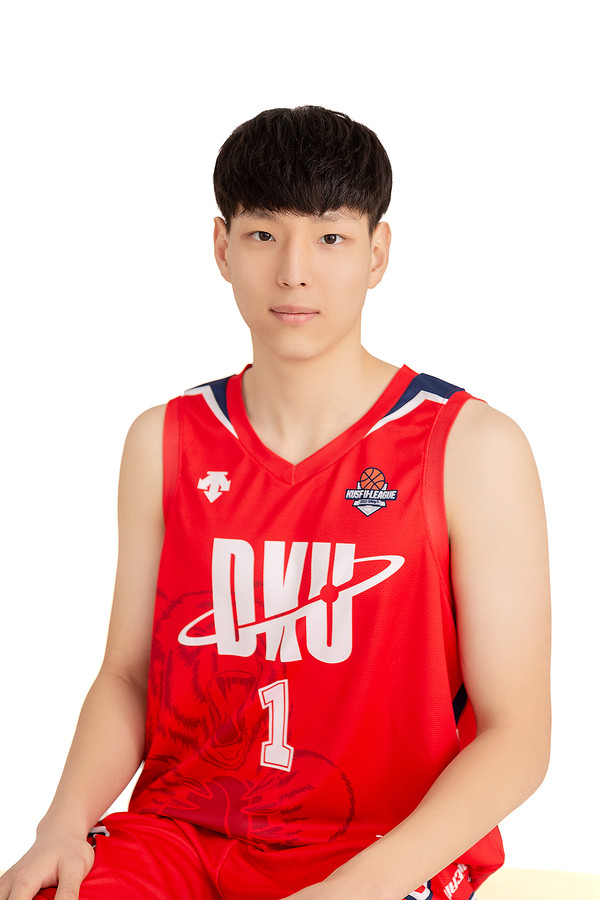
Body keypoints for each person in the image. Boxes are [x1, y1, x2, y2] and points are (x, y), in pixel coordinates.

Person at [0, 106, 551, 900]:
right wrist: (60, 825)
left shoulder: (470, 446)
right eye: (264, 234)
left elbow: (517, 735)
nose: (294, 271)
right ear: (221, 247)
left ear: (377, 253)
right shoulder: (165, 440)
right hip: (185, 834)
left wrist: (355, 888)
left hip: (381, 847)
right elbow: (126, 677)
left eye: (330, 237)